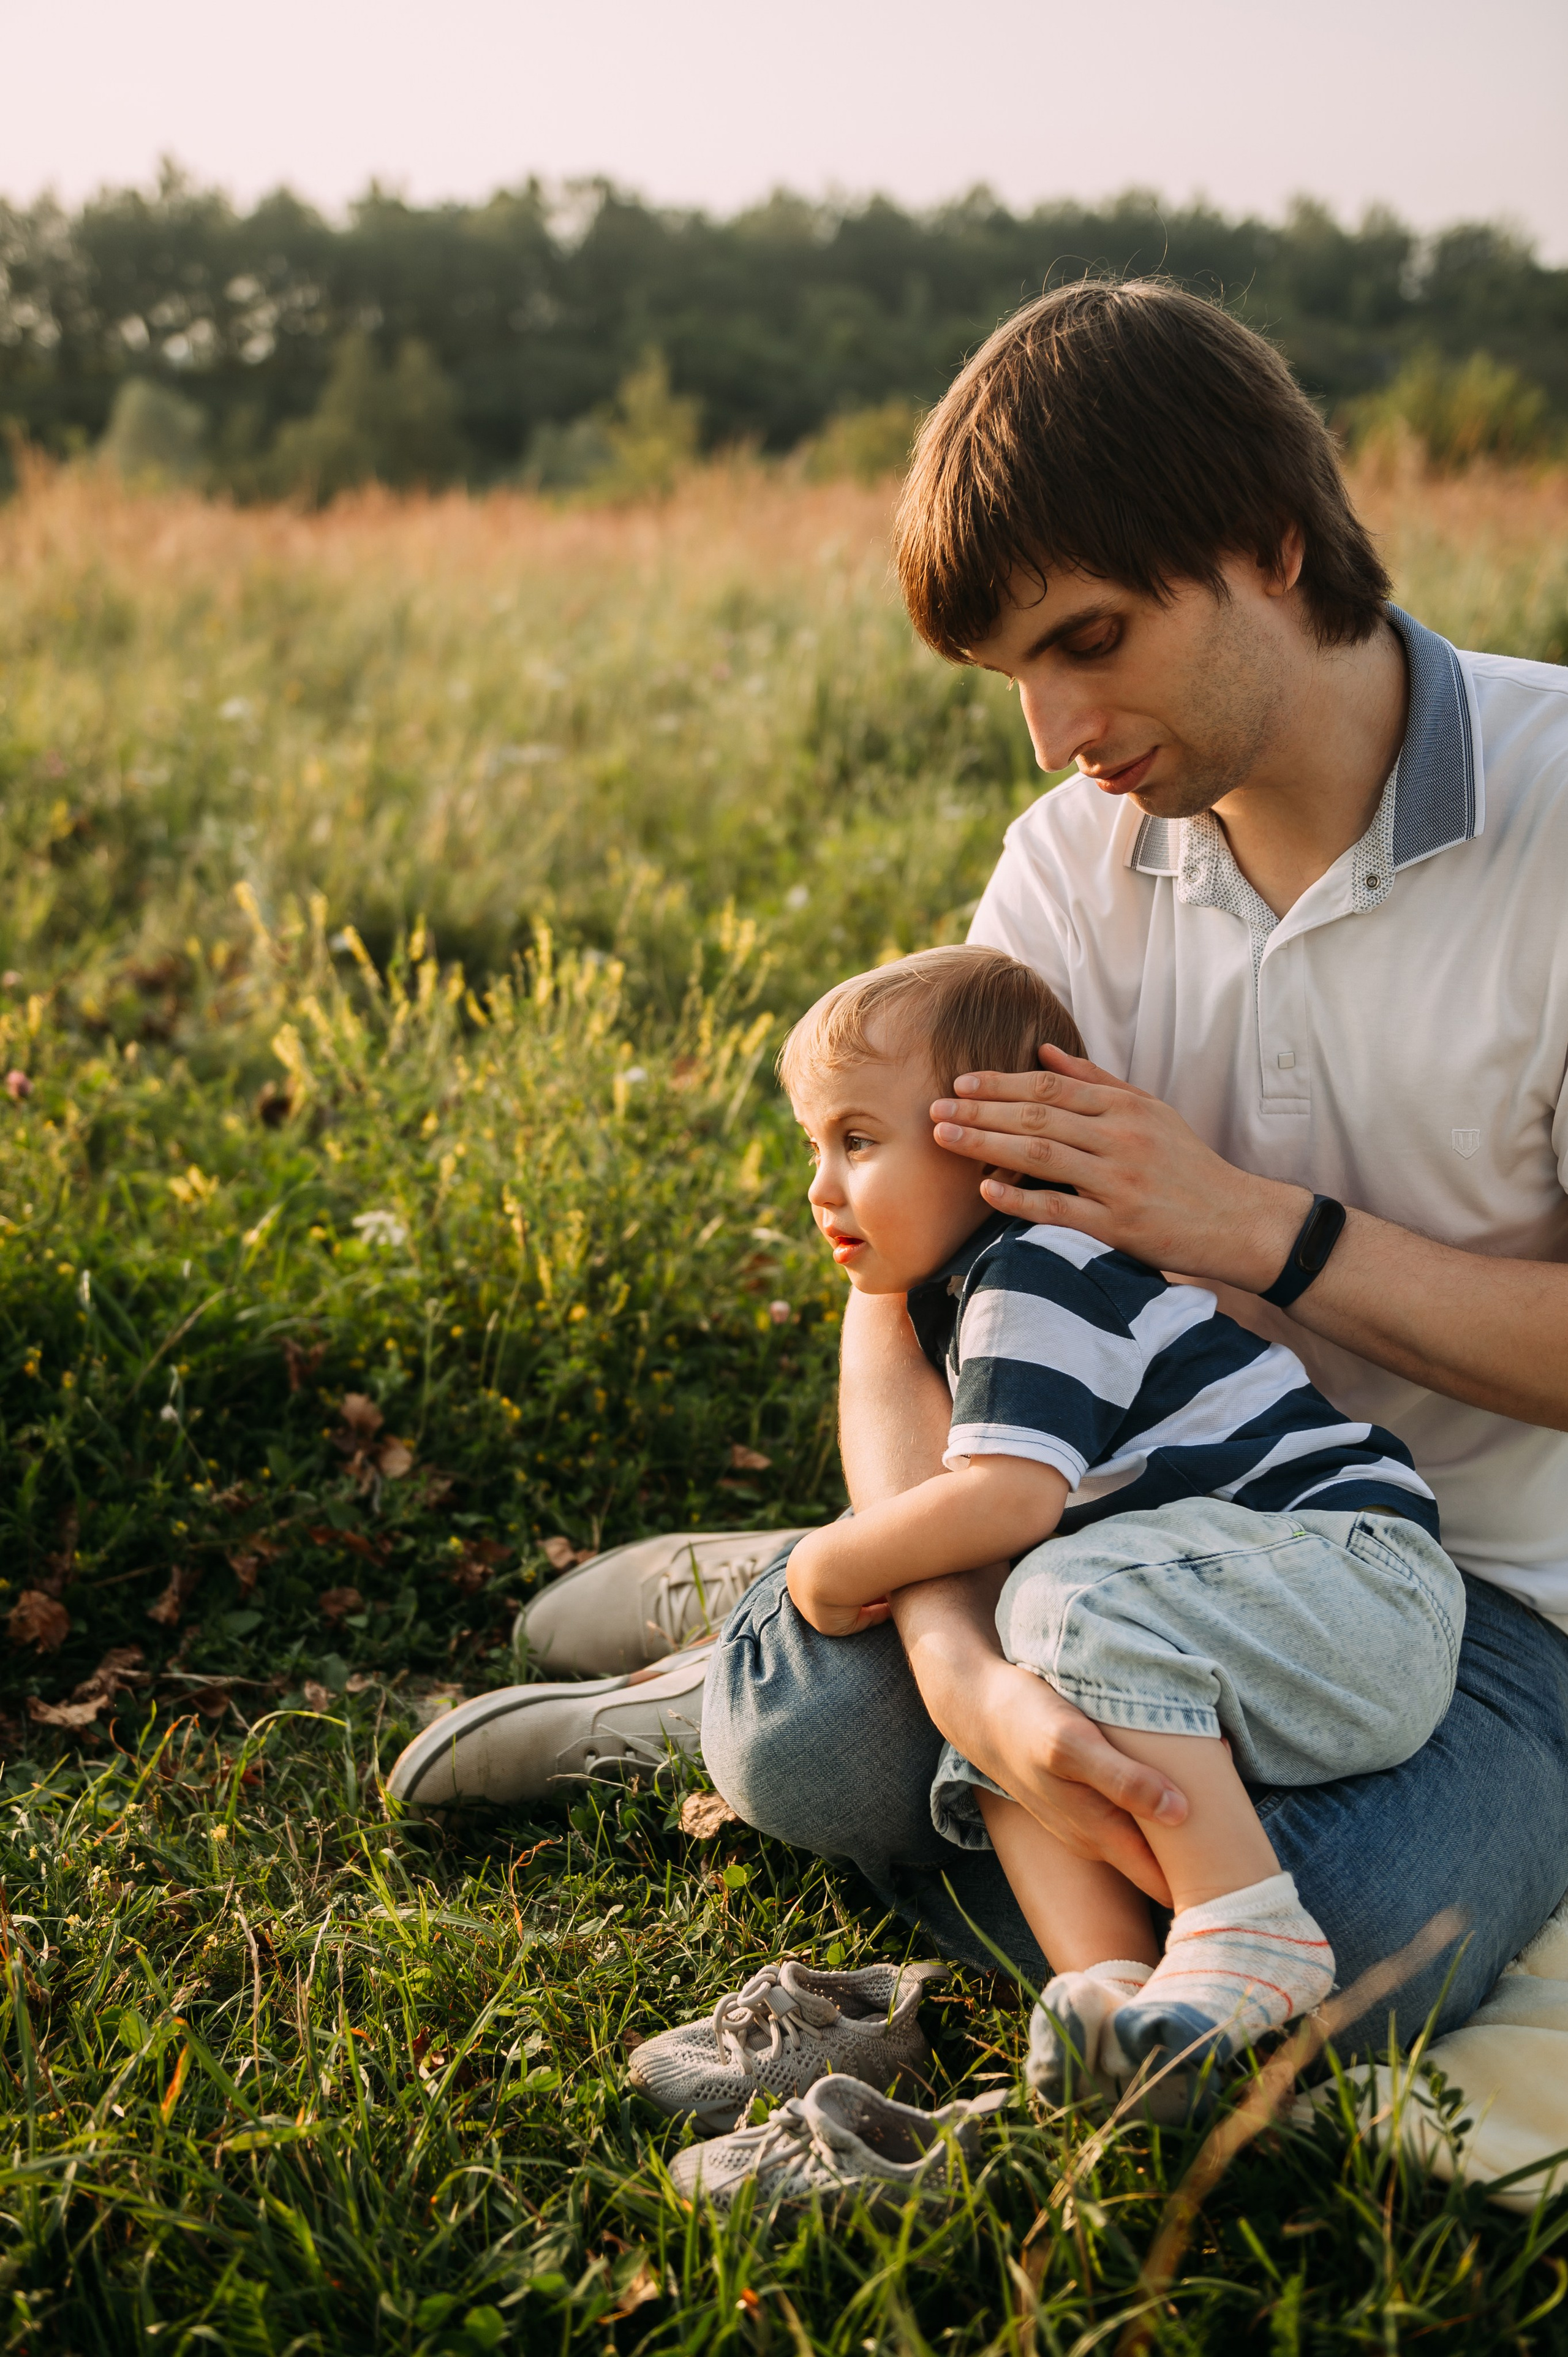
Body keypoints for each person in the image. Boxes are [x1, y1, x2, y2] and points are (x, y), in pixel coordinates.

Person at [397, 278, 1568, 2061]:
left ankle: (779, 1638)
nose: (1055, 732)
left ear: (1267, 546)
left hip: (1482, 1596)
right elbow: (907, 1284)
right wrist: (956, 1665)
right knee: (814, 1744)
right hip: (1093, 1526)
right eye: (1015, 671)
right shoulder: (1072, 865)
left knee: (1353, 1942)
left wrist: (1255, 1231)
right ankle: (761, 1664)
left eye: (1088, 639)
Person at [777, 942, 1464, 2095]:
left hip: (1360, 1583)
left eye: (856, 1141)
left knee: (1050, 1590)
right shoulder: (969, 1288)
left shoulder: (1041, 1266)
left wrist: (830, 1564)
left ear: (992, 1140)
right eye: (815, 1147)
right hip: (1253, 1618)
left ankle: (1249, 1924)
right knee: (1008, 1726)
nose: (819, 1187)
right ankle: (1113, 1996)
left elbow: (1010, 1502)